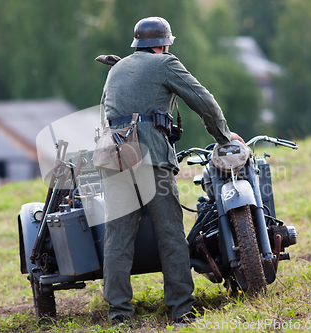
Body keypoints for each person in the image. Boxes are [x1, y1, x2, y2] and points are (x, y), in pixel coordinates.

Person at [99, 16, 244, 325]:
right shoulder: (165, 63)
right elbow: (203, 100)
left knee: (118, 239)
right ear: (163, 44)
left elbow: (106, 116)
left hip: (113, 159)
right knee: (170, 234)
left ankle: (119, 315)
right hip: (150, 158)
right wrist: (223, 136)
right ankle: (180, 309)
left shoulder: (116, 69)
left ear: (138, 44)